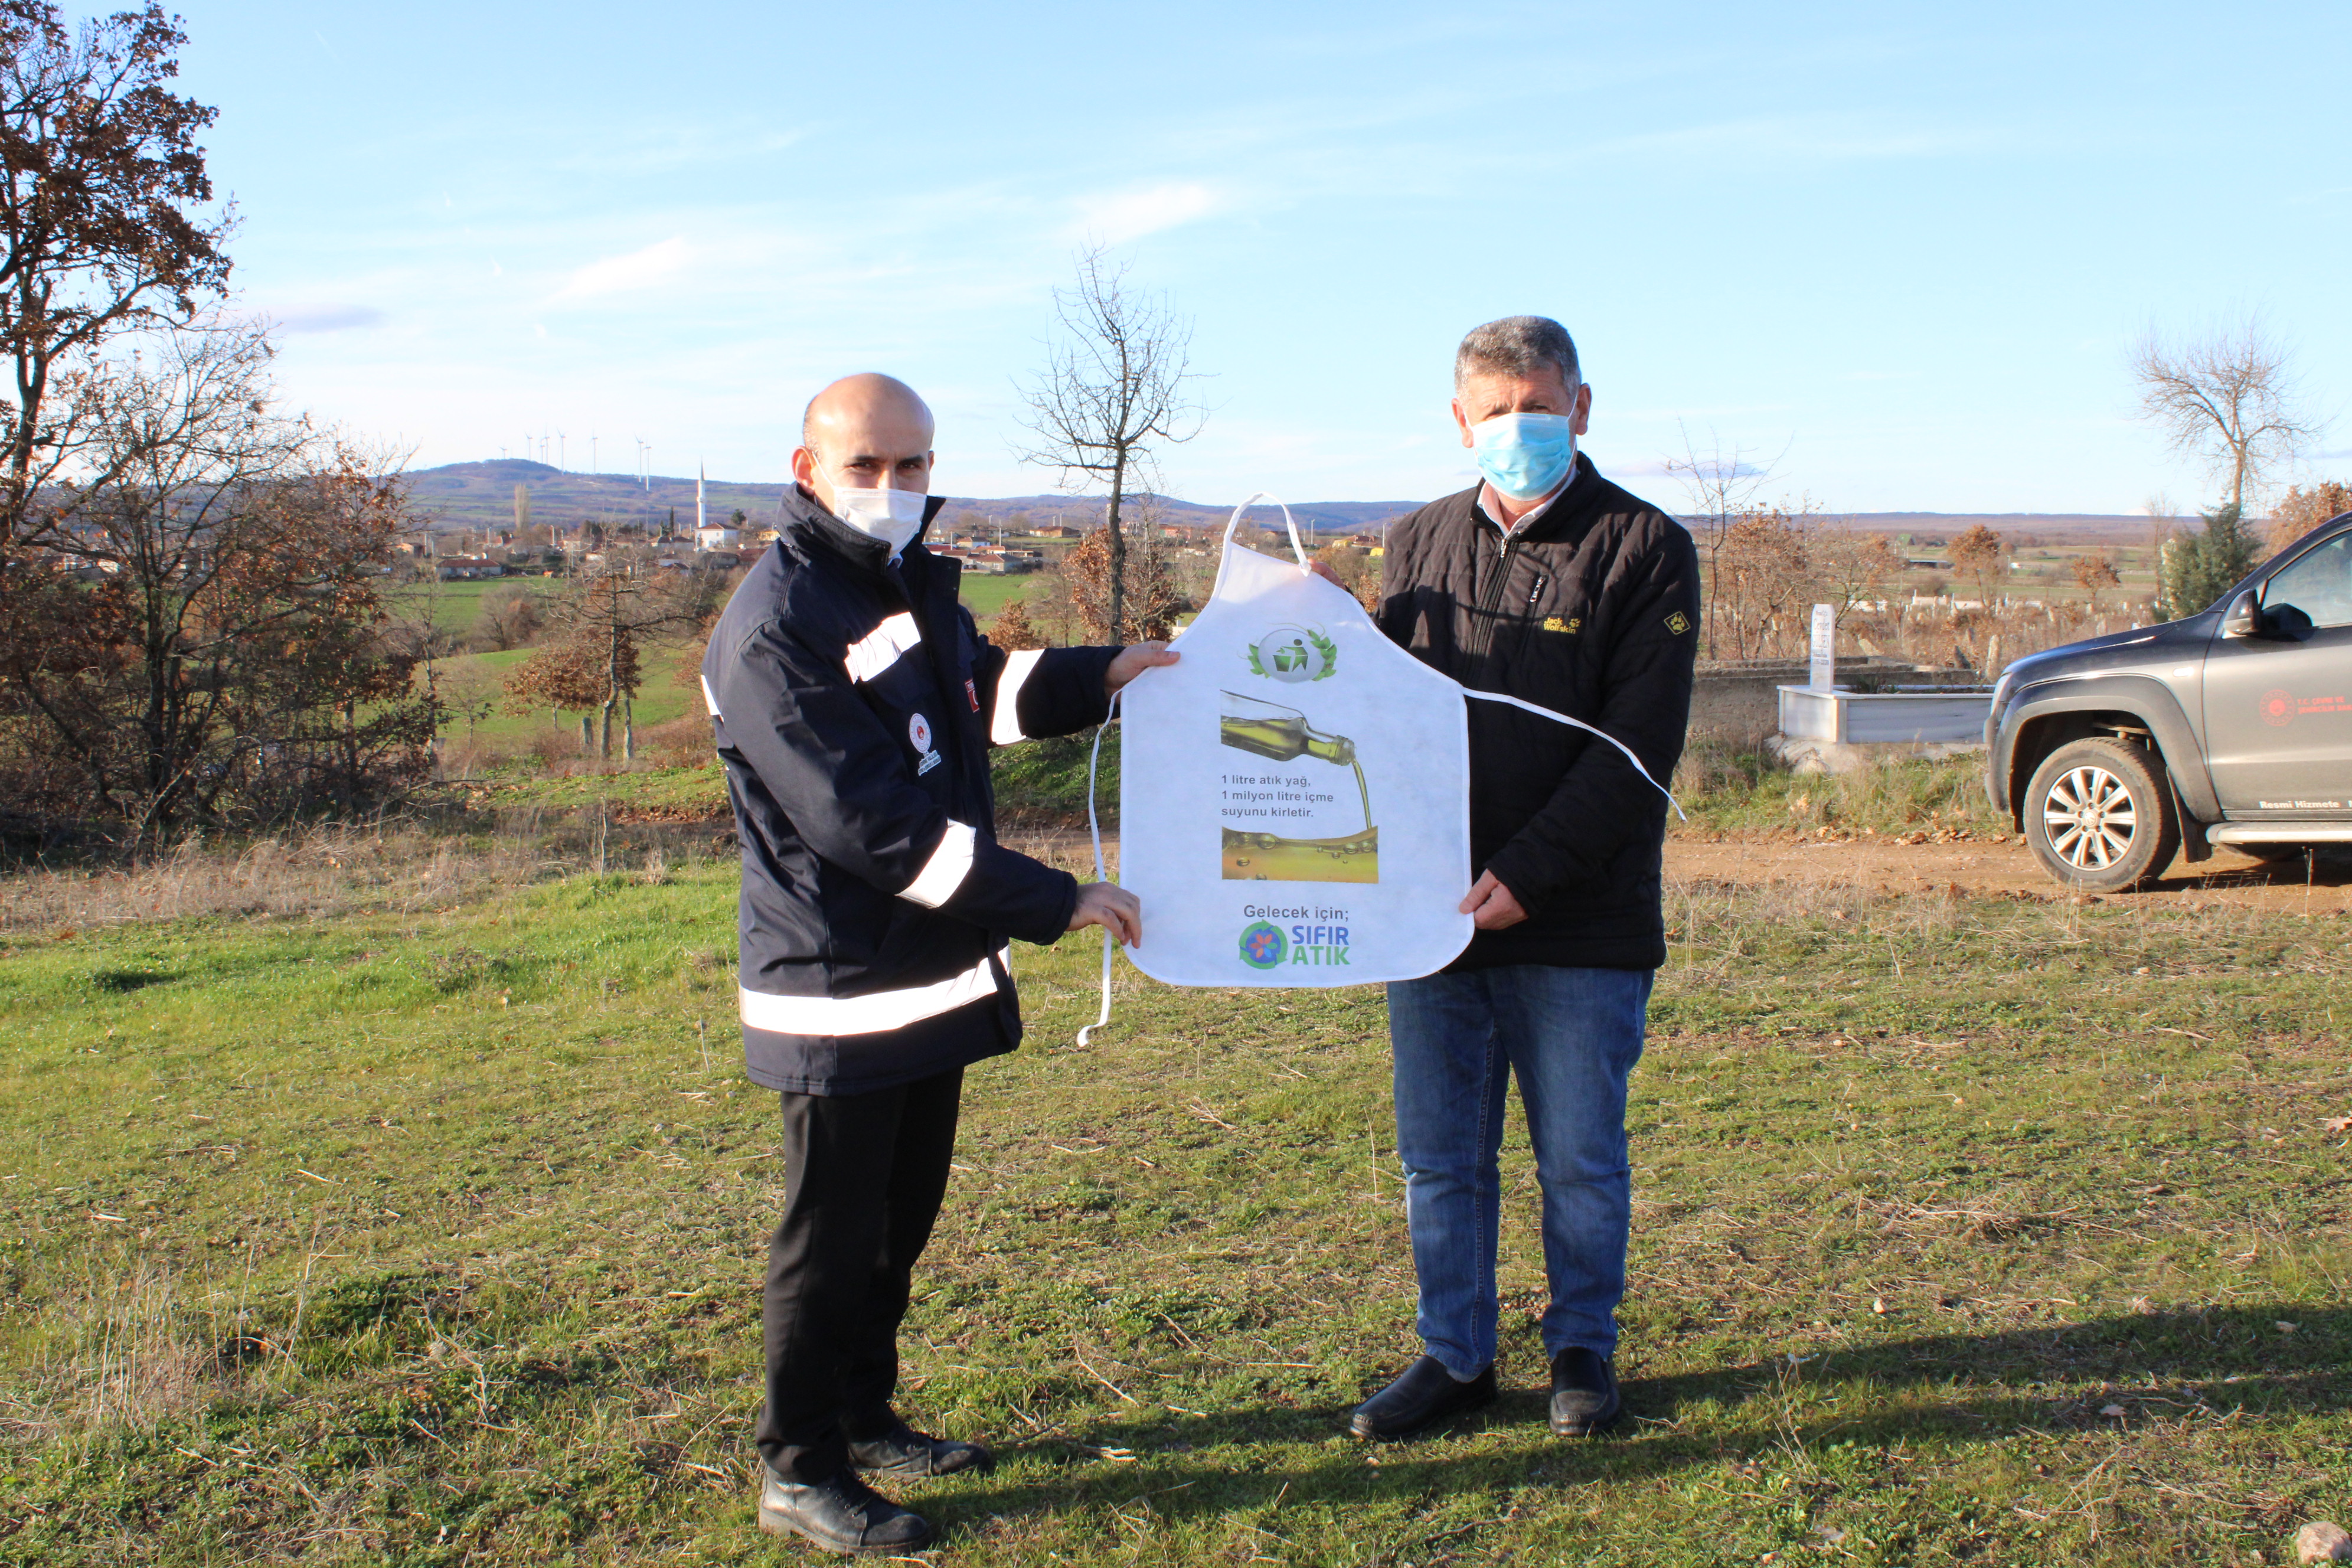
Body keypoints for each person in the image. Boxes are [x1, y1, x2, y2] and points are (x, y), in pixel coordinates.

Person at [700, 373, 1174, 1553]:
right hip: (839, 991)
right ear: (806, 469)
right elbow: (870, 827)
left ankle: (866, 1415)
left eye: (913, 465)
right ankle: (798, 1463)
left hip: (929, 979)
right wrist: (1055, 898)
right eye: (868, 466)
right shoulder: (776, 626)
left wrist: (1110, 669)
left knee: (893, 1231)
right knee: (828, 1238)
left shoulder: (902, 582)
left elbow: (985, 692)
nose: (896, 489)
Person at [1346, 317, 1699, 1442]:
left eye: (1538, 408)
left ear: (1582, 407)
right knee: (1440, 1159)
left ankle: (1581, 1348)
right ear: (1460, 421)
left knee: (1581, 1158)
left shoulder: (1644, 548)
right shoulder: (1417, 544)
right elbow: (1388, 720)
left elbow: (1634, 750)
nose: (1517, 430)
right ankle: (1455, 1355)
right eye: (1495, 412)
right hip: (1433, 918)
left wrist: (1530, 873)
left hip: (1576, 918)